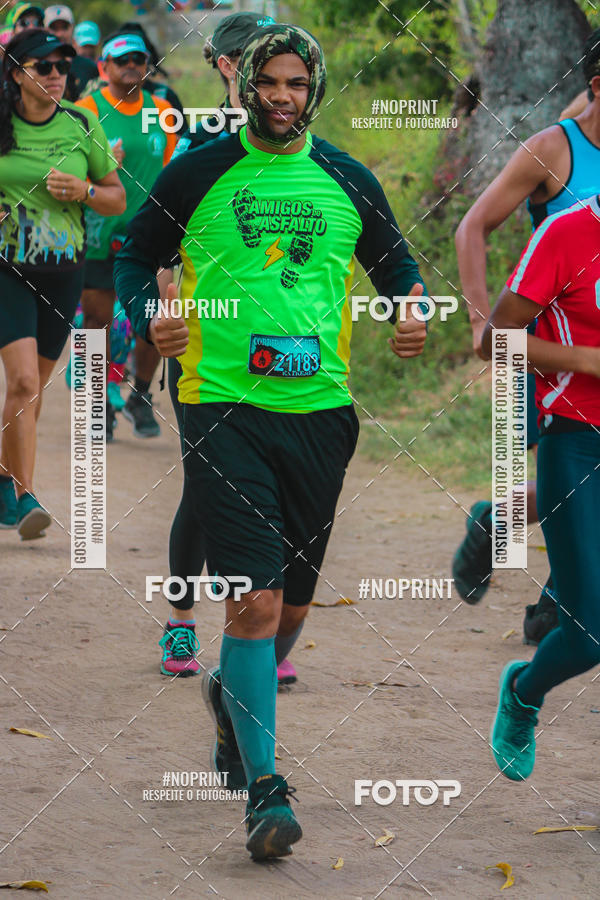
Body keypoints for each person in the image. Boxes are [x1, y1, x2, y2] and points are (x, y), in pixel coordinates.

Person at [115, 23, 427, 860]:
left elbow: (398, 265)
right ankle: (266, 789)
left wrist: (409, 311)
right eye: (270, 82)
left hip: (322, 414)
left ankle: (231, 701)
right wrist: (158, 310)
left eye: (297, 84)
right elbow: (133, 253)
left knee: (291, 609)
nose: (282, 96)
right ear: (246, 84)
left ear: (313, 89)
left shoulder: (346, 177)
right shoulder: (200, 170)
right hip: (221, 406)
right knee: (249, 602)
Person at [452, 28, 600, 643]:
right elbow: (472, 228)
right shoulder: (553, 150)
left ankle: (555, 598)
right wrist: (481, 323)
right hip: (551, 342)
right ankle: (503, 531)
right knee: (574, 471)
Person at [160, 11, 279, 684]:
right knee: (209, 486)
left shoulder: (304, 148)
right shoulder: (201, 145)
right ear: (233, 70)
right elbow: (156, 247)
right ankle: (181, 626)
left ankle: (257, 640)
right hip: (207, 346)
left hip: (290, 349)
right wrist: (164, 315)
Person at [483, 194, 600, 781]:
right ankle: (524, 694)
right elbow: (493, 341)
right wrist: (587, 360)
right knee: (589, 634)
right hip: (578, 442)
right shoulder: (568, 233)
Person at [0, 28, 125, 537]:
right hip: (6, 267)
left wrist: (85, 188)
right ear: (16, 74)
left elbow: (116, 198)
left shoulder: (83, 122)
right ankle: (24, 497)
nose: (56, 75)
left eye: (61, 66)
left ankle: (3, 478)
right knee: (24, 381)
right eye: (43, 66)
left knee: (34, 388)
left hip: (63, 273)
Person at [76, 31, 178, 441]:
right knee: (97, 320)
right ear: (105, 66)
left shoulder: (163, 111)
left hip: (151, 237)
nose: (132, 65)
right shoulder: (84, 112)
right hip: (99, 234)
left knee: (151, 319)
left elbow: (176, 170)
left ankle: (139, 395)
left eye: (138, 59)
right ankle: (97, 403)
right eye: (122, 60)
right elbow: (66, 170)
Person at [44, 5, 98, 100]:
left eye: (64, 27)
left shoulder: (89, 67)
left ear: (72, 28)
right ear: (44, 30)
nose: (60, 34)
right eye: (54, 28)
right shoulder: (38, 67)